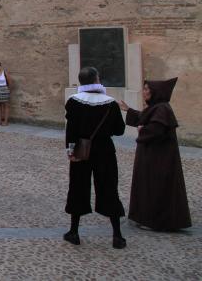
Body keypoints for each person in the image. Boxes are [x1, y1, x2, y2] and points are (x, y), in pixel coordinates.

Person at [64, 66, 127, 249]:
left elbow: (71, 130)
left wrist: (70, 151)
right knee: (109, 188)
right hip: (105, 151)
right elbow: (119, 130)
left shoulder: (73, 102)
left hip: (82, 151)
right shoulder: (110, 103)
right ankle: (117, 236)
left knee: (78, 188)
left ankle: (74, 232)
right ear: (97, 79)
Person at [118, 78, 191, 231]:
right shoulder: (157, 107)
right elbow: (146, 118)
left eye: (146, 89)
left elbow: (156, 129)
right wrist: (129, 110)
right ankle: (146, 217)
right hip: (153, 156)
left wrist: (142, 130)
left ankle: (156, 221)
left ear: (155, 92)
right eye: (144, 89)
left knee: (156, 187)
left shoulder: (162, 109)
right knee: (148, 186)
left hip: (159, 159)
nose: (144, 92)